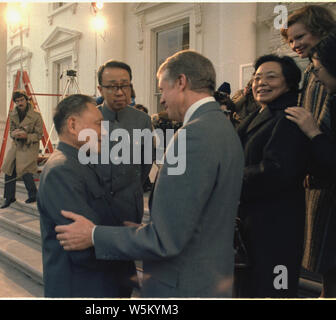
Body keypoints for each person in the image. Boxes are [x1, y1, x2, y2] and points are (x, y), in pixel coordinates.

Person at [55, 50, 245, 298]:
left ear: (181, 82)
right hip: (206, 277)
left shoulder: (192, 136)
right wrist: (157, 225)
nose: (162, 99)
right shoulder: (221, 126)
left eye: (162, 89)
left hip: (182, 285)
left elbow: (165, 240)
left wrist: (93, 234)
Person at [37, 94, 136, 297]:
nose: (104, 132)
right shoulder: (62, 171)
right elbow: (82, 247)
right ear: (73, 125)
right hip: (85, 289)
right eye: (98, 124)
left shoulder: (80, 163)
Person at [236, 55, 309, 298]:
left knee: (275, 289)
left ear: (288, 82)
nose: (261, 83)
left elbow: (276, 171)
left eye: (271, 76)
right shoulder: (260, 113)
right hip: (254, 223)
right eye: (257, 77)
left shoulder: (288, 117)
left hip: (277, 225)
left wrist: (229, 179)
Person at [280, 5, 336, 297]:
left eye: (299, 36)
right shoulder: (312, 68)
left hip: (331, 167)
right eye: (290, 40)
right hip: (319, 167)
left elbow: (327, 122)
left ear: (320, 27)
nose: (294, 45)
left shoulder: (333, 65)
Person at [96, 60, 153, 224]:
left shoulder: (142, 120)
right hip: (95, 206)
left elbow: (145, 162)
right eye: (113, 86)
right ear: (100, 89)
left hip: (129, 206)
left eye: (125, 86)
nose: (120, 92)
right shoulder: (90, 119)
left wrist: (130, 187)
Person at [0, 90, 43, 208]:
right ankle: (9, 197)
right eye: (17, 101)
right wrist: (14, 134)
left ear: (26, 99)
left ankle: (33, 194)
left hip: (29, 146)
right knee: (9, 168)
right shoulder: (13, 114)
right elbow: (10, 131)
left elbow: (39, 135)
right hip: (16, 145)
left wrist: (26, 136)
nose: (20, 103)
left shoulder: (36, 115)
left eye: (21, 100)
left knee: (25, 170)